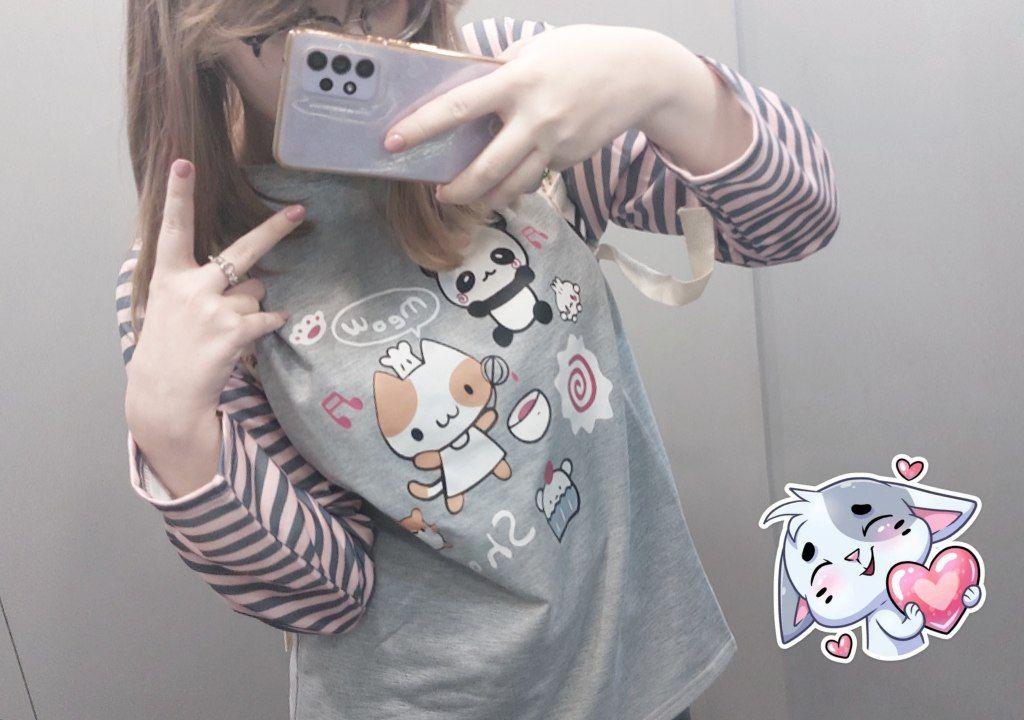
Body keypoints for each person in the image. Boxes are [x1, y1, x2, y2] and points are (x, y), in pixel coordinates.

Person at [115, 2, 839, 719]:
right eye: (299, 22)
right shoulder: (192, 277)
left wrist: (665, 81)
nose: (357, 41)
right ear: (201, 33)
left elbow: (792, 224)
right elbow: (328, 597)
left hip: (633, 672)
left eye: (378, 5)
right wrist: (176, 440)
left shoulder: (499, 84)